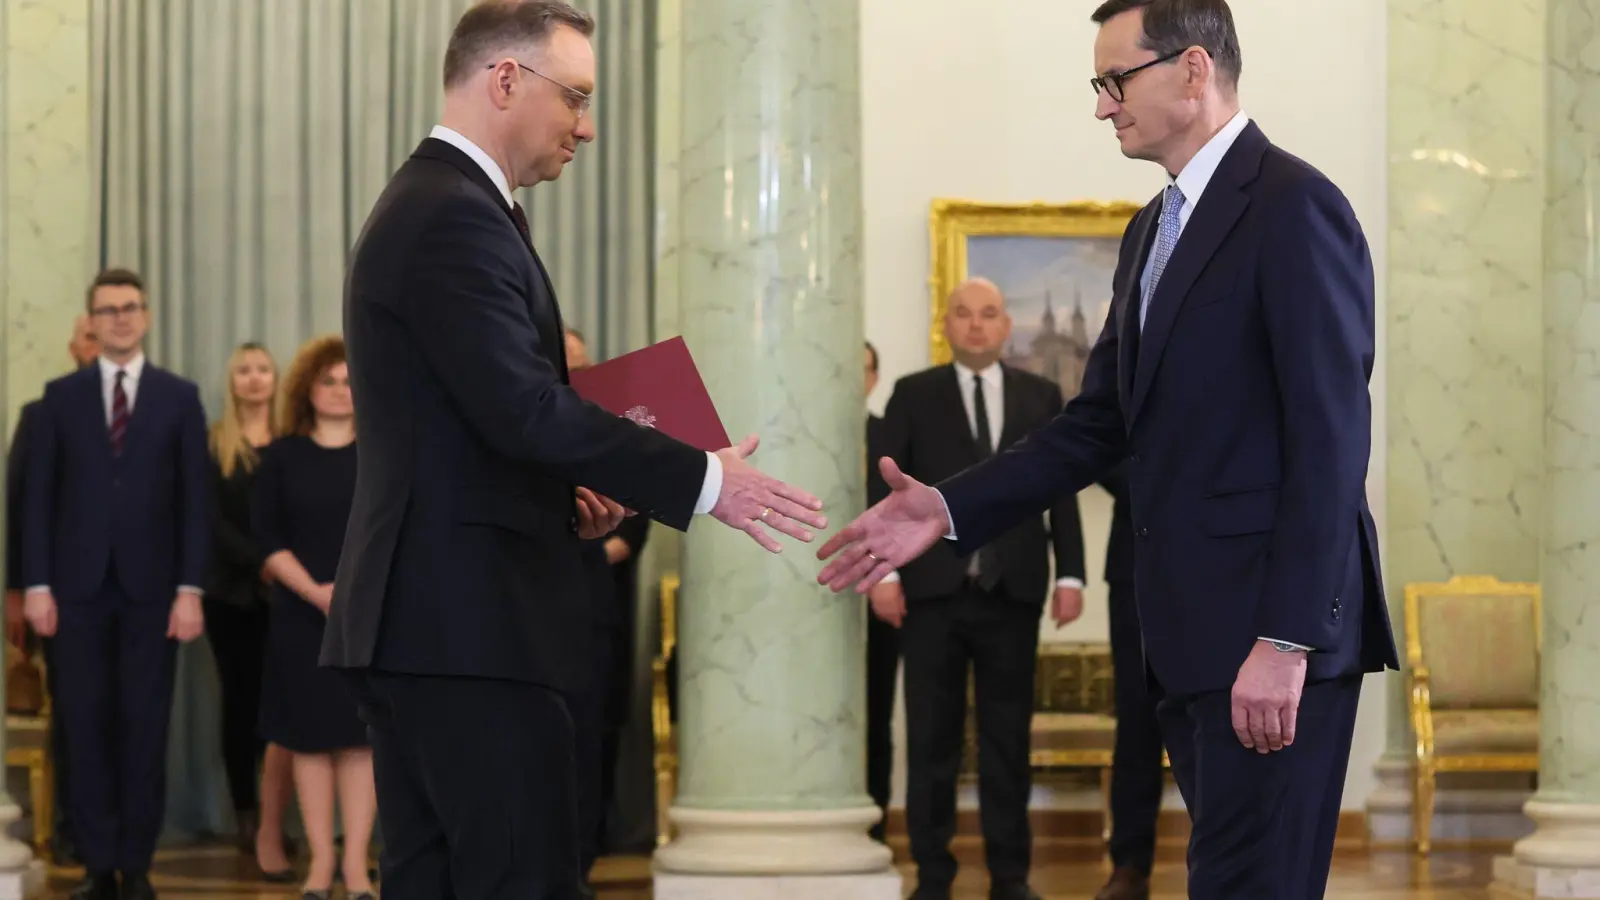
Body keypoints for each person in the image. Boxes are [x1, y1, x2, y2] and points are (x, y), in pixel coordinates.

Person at [816, 2, 1400, 897]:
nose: (1102, 107)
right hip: (1192, 640)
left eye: (1115, 81)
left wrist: (1286, 640)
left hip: (1268, 642)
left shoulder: (1293, 206)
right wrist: (948, 507)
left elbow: (1329, 441)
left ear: (1195, 70)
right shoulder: (1148, 235)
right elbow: (1096, 426)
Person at [321, 3, 827, 897]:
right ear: (506, 79)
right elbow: (522, 409)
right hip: (468, 625)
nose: (586, 128)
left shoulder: (452, 203)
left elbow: (472, 422)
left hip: (439, 620)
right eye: (576, 99)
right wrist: (707, 477)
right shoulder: (452, 214)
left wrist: (568, 496)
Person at [867, 280, 1085, 900]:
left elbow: (1058, 489)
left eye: (989, 314)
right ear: (947, 324)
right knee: (931, 741)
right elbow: (884, 492)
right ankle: (933, 877)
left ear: (1007, 324)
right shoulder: (914, 395)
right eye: (963, 314)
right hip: (931, 594)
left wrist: (1070, 573)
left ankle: (1010, 878)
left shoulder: (1040, 396)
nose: (976, 325)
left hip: (1012, 592)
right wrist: (883, 574)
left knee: (1007, 742)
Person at [22, 268, 211, 900]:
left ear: (147, 316)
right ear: (92, 321)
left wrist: (191, 589)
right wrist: (36, 586)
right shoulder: (59, 398)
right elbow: (38, 502)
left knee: (144, 727)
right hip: (74, 593)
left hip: (154, 593)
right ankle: (100, 868)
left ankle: (139, 866)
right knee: (84, 725)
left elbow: (195, 501)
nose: (121, 318)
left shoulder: (179, 398)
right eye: (108, 309)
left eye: (130, 307)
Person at [257, 336, 376, 898]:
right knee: (307, 740)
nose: (339, 390)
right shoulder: (280, 456)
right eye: (329, 380)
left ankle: (355, 864)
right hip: (301, 616)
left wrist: (350, 593)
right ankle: (320, 863)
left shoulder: (383, 452)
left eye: (350, 381)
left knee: (360, 740)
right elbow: (268, 539)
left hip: (369, 613)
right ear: (308, 387)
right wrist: (315, 592)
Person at [5, 312, 101, 866]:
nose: (97, 344)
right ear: (73, 347)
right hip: (58, 600)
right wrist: (16, 590)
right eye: (88, 335)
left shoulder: (152, 409)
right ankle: (69, 826)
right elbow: (19, 510)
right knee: (72, 716)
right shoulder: (39, 416)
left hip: (132, 601)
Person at [202, 342, 296, 878]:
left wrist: (282, 568)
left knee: (280, 709)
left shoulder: (293, 441)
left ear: (276, 379)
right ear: (232, 382)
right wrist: (261, 561)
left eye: (263, 369)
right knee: (239, 707)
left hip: (289, 596)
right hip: (232, 595)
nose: (255, 379)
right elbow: (210, 522)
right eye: (244, 370)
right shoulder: (214, 443)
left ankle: (276, 819)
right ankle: (245, 813)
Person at [1093, 465, 1162, 900]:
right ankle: (1130, 864)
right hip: (1135, 563)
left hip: (1224, 561)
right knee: (1137, 717)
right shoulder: (1124, 391)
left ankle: (1231, 863)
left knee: (1224, 717)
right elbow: (1100, 446)